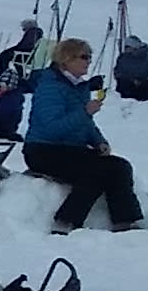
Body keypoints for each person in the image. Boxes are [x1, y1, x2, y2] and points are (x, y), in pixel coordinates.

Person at [18, 37, 140, 232]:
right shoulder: (50, 87)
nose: (88, 61)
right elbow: (52, 128)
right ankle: (66, 221)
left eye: (89, 57)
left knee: (119, 166)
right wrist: (85, 112)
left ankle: (125, 221)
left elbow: (85, 123)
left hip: (71, 149)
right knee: (98, 170)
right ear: (66, 59)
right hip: (43, 150)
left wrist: (98, 141)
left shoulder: (79, 86)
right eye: (83, 57)